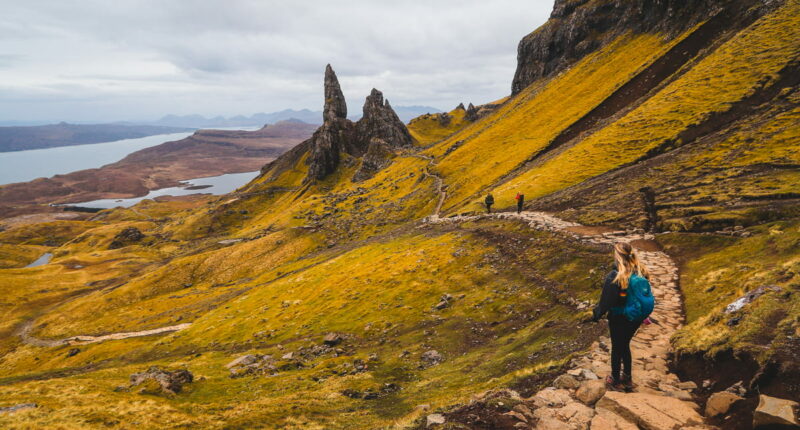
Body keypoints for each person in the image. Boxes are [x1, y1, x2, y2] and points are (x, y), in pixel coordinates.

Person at [592, 242, 654, 391]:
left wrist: (597, 314)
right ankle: (627, 377)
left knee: (617, 347)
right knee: (625, 344)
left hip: (619, 316)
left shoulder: (616, 275)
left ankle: (615, 379)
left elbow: (607, 301)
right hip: (636, 318)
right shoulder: (641, 271)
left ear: (617, 255)